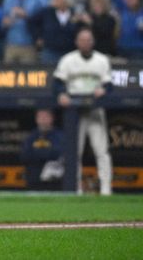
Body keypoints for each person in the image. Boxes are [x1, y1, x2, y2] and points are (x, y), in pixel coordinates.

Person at [53, 28, 113, 195]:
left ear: (92, 42)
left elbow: (109, 85)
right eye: (82, 39)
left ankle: (106, 190)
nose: (85, 43)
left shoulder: (101, 60)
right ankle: (76, 189)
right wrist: (61, 94)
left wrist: (104, 91)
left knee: (101, 150)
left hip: (95, 110)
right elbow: (57, 83)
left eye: (88, 40)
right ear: (76, 42)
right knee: (74, 151)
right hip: (74, 112)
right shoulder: (68, 60)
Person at [2, 0, 46, 64]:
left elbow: (43, 20)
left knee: (27, 74)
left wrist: (25, 15)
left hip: (29, 44)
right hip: (11, 43)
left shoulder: (37, 0)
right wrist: (6, 21)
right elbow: (3, 20)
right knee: (8, 74)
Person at [20, 109, 63, 191]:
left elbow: (57, 154)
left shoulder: (59, 136)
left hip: (54, 182)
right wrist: (45, 153)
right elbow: (24, 156)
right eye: (40, 116)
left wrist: (37, 152)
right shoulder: (31, 136)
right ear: (36, 119)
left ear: (52, 118)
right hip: (34, 181)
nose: (43, 119)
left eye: (46, 116)